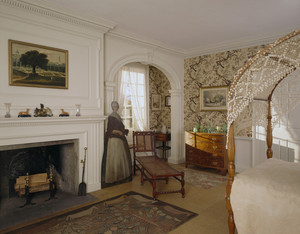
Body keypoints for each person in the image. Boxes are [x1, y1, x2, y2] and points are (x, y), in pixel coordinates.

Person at [101, 101, 132, 188]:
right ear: (112, 107)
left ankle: (121, 177)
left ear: (118, 107)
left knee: (120, 159)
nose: (115, 108)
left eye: (116, 106)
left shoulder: (118, 116)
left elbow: (120, 128)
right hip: (114, 140)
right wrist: (119, 131)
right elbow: (110, 130)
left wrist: (124, 131)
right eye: (114, 106)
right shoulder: (111, 117)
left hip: (120, 140)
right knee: (114, 159)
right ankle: (113, 178)